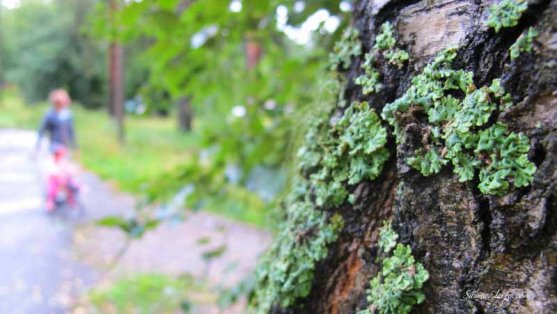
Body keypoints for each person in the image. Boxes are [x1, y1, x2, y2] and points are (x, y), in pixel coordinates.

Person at [36, 89, 79, 211]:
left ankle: (69, 198)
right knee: (54, 175)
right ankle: (50, 199)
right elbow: (42, 131)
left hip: (65, 149)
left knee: (67, 175)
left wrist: (75, 146)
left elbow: (71, 132)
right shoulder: (50, 115)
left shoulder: (68, 115)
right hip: (55, 148)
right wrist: (37, 146)